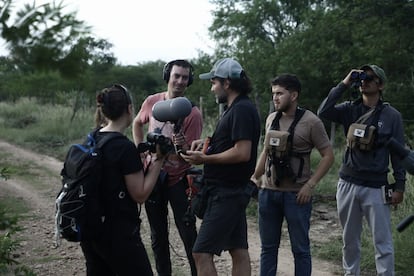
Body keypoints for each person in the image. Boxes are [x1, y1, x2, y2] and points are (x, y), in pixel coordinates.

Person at [317, 65, 406, 276]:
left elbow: (399, 154)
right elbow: (324, 111)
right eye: (362, 78)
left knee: (382, 244)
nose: (364, 81)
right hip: (348, 183)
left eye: (370, 78)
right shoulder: (350, 109)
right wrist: (344, 83)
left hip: (376, 187)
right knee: (350, 242)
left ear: (380, 84)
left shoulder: (392, 116)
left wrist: (399, 186)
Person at [180, 57, 261, 276]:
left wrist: (204, 160)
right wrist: (208, 144)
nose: (212, 87)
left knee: (201, 252)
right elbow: (231, 142)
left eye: (214, 82)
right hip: (231, 191)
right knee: (238, 250)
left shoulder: (241, 109)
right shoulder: (234, 107)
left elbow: (242, 152)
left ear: (227, 83)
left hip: (227, 193)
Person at [250, 74, 334, 276]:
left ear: (294, 95)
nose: (275, 98)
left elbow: (328, 156)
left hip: (297, 196)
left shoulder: (311, 122)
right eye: (273, 94)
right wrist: (255, 176)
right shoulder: (272, 118)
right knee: (268, 249)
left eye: (280, 93)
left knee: (301, 250)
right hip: (268, 193)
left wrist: (310, 185)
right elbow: (265, 151)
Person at [80, 84, 167, 275]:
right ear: (129, 109)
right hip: (117, 232)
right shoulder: (123, 147)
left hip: (90, 228)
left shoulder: (91, 139)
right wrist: (159, 160)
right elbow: (140, 194)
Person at [132, 59, 202, 276]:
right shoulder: (152, 102)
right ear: (167, 76)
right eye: (176, 76)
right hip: (154, 177)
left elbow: (191, 156)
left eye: (184, 77)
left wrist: (181, 147)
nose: (180, 81)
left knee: (189, 236)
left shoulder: (192, 113)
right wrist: (141, 151)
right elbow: (136, 123)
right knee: (157, 237)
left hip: (179, 180)